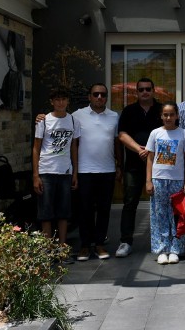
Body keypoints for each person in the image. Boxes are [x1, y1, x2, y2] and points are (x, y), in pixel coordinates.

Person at [32, 87, 80, 262]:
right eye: (57, 99)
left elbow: (74, 147)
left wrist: (75, 172)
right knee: (46, 213)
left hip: (65, 171)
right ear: (52, 102)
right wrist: (35, 175)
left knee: (64, 212)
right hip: (46, 170)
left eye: (63, 99)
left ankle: (62, 249)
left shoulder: (73, 121)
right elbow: (36, 147)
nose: (60, 102)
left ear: (68, 101)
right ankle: (48, 251)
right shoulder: (44, 121)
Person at [116, 78, 163, 258]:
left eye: (148, 89)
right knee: (130, 203)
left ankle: (161, 241)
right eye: (141, 89)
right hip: (134, 165)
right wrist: (139, 149)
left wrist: (151, 151)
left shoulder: (161, 110)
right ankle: (125, 241)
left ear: (153, 90)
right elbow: (122, 135)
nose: (145, 92)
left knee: (161, 204)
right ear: (137, 92)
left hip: (159, 165)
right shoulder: (129, 111)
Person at [73, 84, 120, 261]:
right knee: (84, 209)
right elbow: (72, 141)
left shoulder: (114, 116)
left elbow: (116, 143)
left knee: (104, 209)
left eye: (103, 94)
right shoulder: (77, 115)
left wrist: (119, 165)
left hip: (107, 170)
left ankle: (99, 244)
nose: (99, 97)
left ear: (107, 97)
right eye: (96, 94)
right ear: (89, 97)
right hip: (85, 170)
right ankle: (85, 245)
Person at [145, 102, 185, 265]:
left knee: (177, 215)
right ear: (161, 116)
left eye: (172, 114)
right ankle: (162, 249)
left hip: (177, 180)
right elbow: (150, 158)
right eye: (165, 114)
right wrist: (148, 181)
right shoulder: (155, 133)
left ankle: (175, 249)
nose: (168, 117)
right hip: (158, 179)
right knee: (160, 215)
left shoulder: (183, 133)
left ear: (177, 116)